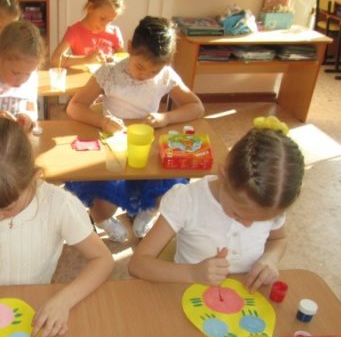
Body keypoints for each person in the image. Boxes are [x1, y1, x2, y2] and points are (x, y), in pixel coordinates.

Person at [0, 117, 114, 337]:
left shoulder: (59, 205)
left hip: (35, 305)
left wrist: (64, 300)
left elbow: (103, 260)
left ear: (34, 176)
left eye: (6, 208)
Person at [65, 16, 204, 242]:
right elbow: (74, 107)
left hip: (146, 147)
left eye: (153, 71)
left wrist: (166, 117)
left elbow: (196, 107)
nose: (144, 75)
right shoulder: (109, 72)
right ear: (129, 47)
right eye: (140, 66)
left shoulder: (166, 76)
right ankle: (103, 220)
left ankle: (146, 212)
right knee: (104, 204)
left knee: (165, 193)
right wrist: (102, 122)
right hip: (115, 147)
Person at [128, 116, 305, 292]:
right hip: (187, 294)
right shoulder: (187, 200)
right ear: (223, 175)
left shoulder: (270, 203)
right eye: (238, 214)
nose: (247, 224)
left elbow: (278, 239)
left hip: (244, 300)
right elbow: (137, 264)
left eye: (260, 220)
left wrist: (270, 259)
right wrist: (192, 273)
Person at [50, 0, 125, 68]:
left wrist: (112, 59)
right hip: (83, 79)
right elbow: (55, 60)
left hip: (108, 79)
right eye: (102, 19)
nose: (105, 26)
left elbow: (124, 62)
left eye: (110, 21)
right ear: (90, 7)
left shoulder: (115, 32)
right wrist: (86, 59)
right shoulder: (75, 31)